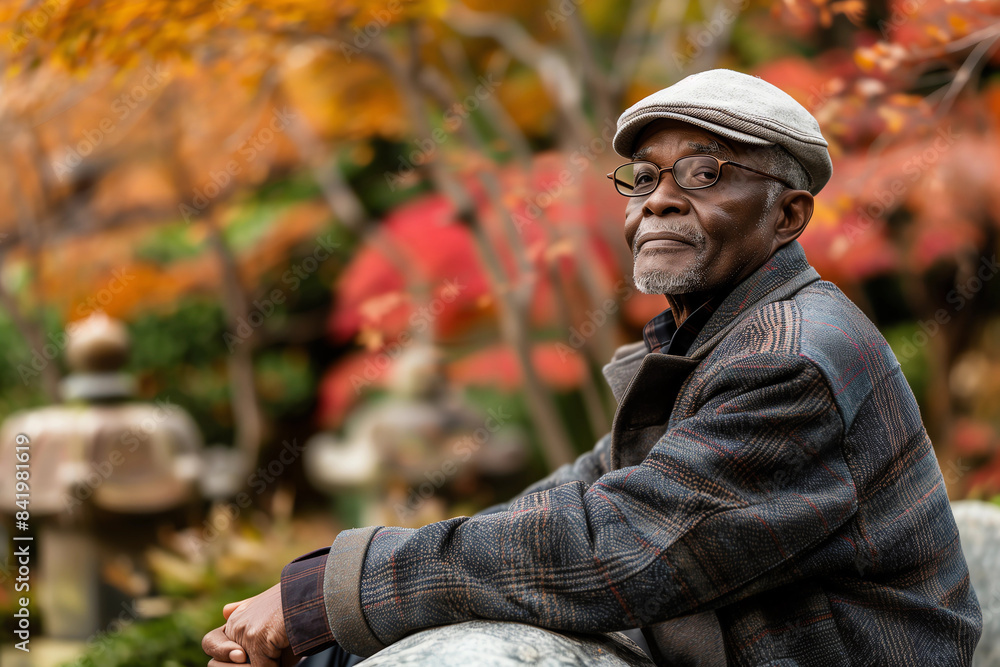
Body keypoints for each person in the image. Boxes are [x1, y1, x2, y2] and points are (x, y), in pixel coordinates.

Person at [203, 69, 983, 666]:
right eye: (645, 178)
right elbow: (582, 491)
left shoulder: (789, 358)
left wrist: (330, 591)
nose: (659, 201)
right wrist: (322, 607)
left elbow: (615, 545)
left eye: (705, 174)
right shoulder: (712, 334)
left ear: (787, 215)